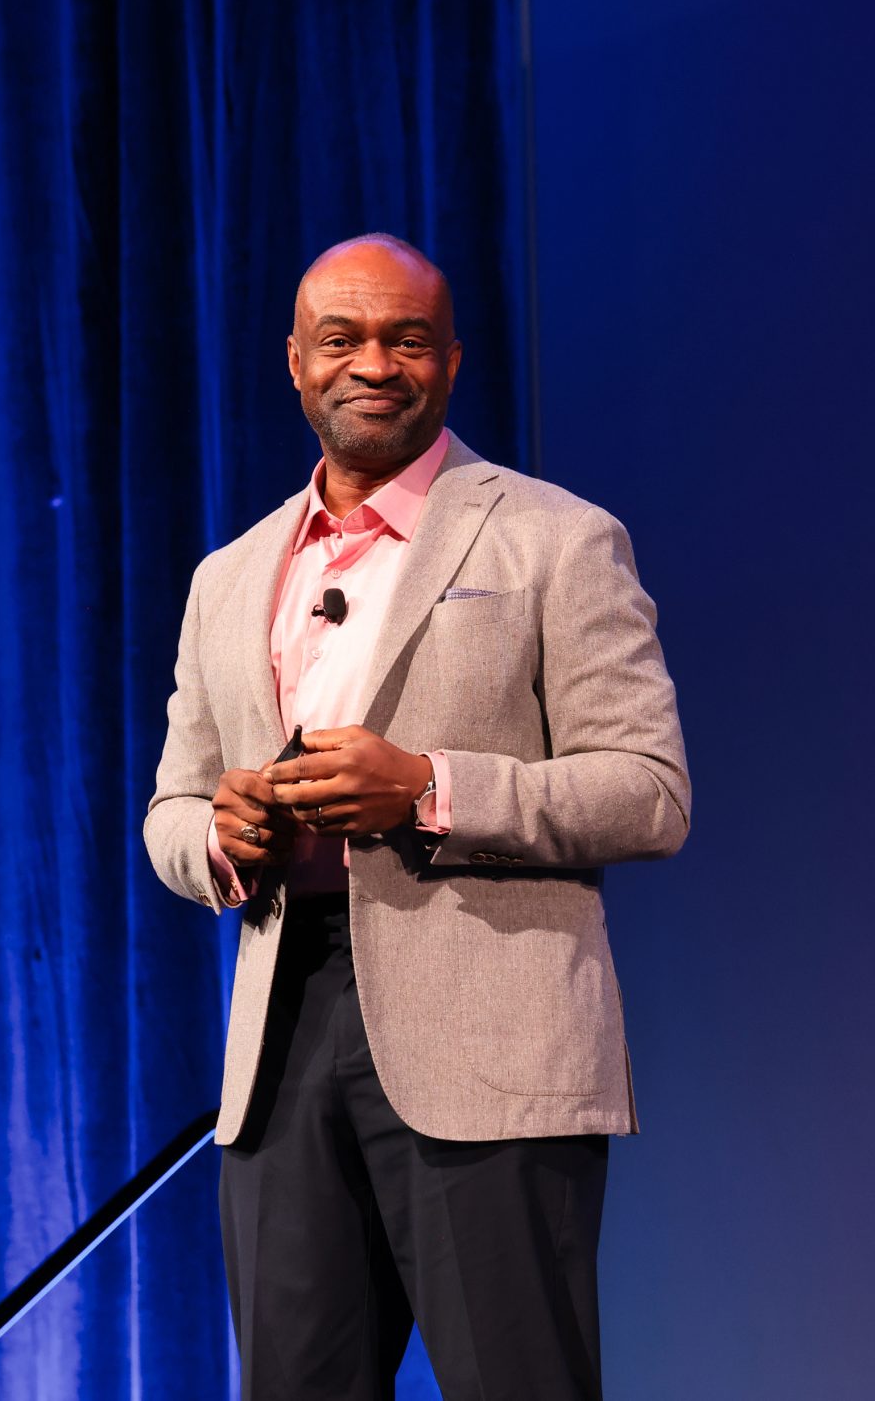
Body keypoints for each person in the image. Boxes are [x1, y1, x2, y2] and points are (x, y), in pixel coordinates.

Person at [143, 233, 689, 1400]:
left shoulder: (555, 537)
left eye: (406, 339)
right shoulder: (229, 575)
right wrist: (221, 837)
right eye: (341, 339)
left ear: (451, 359)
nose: (373, 364)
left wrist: (429, 786)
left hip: (485, 1037)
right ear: (295, 362)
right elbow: (172, 805)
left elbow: (648, 789)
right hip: (284, 1032)